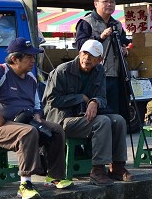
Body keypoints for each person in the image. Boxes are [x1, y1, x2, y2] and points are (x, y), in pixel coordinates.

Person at [0, 37, 72, 199]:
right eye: (29, 57)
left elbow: (37, 103)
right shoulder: (0, 71)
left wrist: (38, 116)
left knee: (57, 130)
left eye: (33, 56)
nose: (33, 60)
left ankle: (54, 177)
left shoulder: (31, 78)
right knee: (28, 132)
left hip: (23, 121)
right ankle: (25, 184)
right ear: (15, 59)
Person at [43, 39, 131, 186]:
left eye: (92, 55)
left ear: (100, 59)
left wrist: (94, 101)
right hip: (62, 120)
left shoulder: (99, 71)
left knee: (118, 120)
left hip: (84, 117)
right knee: (102, 122)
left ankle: (117, 166)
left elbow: (102, 96)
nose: (87, 58)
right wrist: (80, 98)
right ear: (79, 53)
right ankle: (97, 170)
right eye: (85, 53)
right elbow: (52, 100)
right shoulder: (62, 71)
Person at [75, 0, 131, 115]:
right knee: (98, 112)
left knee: (115, 113)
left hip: (116, 75)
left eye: (112, 1)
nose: (109, 4)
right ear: (96, 4)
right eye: (105, 1)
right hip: (94, 75)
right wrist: (100, 37)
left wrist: (125, 50)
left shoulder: (117, 24)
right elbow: (80, 45)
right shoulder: (86, 22)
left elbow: (124, 42)